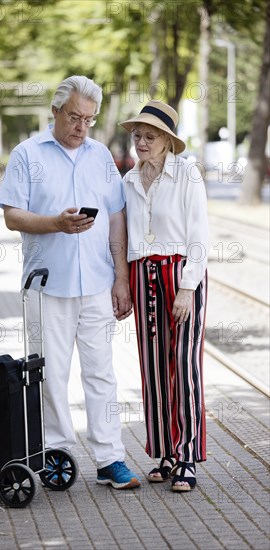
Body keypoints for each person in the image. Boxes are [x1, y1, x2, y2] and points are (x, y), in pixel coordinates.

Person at [0, 75, 140, 490]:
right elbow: (12, 215)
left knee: (101, 374)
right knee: (51, 376)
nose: (81, 126)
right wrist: (55, 224)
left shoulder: (100, 157)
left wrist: (122, 277)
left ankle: (110, 459)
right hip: (47, 285)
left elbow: (115, 218)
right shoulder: (26, 155)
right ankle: (56, 455)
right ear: (56, 112)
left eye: (89, 119)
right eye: (74, 116)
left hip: (97, 282)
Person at [119, 99, 208, 492]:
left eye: (149, 136)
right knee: (153, 369)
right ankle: (165, 452)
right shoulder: (129, 180)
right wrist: (122, 282)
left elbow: (200, 235)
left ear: (167, 140)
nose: (140, 141)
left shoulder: (187, 173)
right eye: (137, 135)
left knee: (185, 368)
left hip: (181, 273)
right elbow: (122, 237)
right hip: (144, 273)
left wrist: (189, 287)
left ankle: (187, 456)